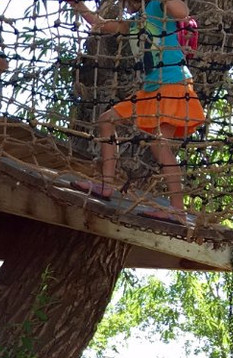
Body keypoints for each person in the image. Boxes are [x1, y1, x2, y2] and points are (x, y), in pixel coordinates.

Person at [65, 0, 206, 222]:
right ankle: (106, 185)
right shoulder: (134, 24)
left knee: (159, 144)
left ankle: (177, 209)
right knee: (107, 120)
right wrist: (77, 4)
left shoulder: (157, 7)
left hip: (173, 83)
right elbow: (100, 24)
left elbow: (182, 12)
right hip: (150, 90)